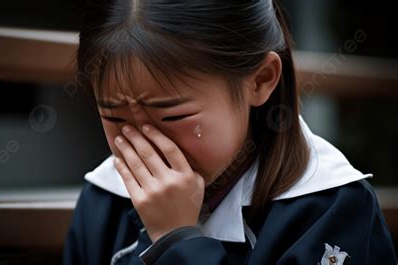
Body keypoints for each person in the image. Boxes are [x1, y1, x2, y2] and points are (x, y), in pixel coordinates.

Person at [62, 0, 397, 264]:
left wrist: (175, 241)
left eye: (173, 116)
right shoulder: (104, 200)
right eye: (115, 117)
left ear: (261, 79)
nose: (149, 146)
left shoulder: (330, 208)